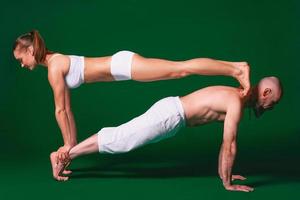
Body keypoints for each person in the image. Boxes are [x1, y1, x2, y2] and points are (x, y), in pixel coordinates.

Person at [13, 30, 251, 162]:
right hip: (121, 67)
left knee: (181, 69)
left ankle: (236, 68)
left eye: (21, 59)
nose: (22, 64)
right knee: (180, 69)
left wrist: (68, 145)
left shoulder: (54, 67)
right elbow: (66, 109)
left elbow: (61, 110)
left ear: (31, 51)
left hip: (122, 65)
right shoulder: (55, 62)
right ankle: (234, 68)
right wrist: (70, 145)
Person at [50, 76, 282, 192]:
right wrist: (228, 184)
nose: (273, 107)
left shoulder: (236, 98)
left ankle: (68, 153)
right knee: (121, 140)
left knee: (121, 137)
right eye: (274, 102)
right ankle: (64, 154)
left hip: (172, 113)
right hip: (171, 116)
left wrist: (225, 177)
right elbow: (229, 145)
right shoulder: (236, 101)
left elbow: (226, 143)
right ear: (266, 92)